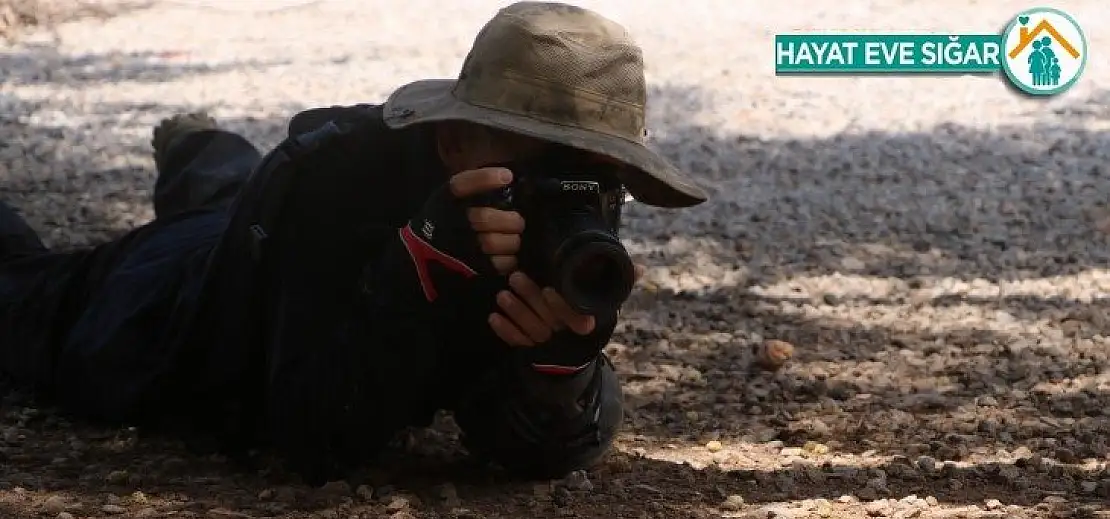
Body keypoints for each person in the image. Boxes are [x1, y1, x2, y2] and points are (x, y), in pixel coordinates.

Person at [0, 1, 706, 484]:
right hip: (180, 300)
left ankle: (201, 149)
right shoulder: (340, 185)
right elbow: (309, 438)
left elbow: (521, 437)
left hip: (253, 224)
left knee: (227, 195)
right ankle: (204, 156)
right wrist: (417, 272)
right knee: (26, 290)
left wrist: (561, 364)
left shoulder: (561, 224)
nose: (570, 196)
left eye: (597, 176)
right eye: (546, 166)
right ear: (453, 142)